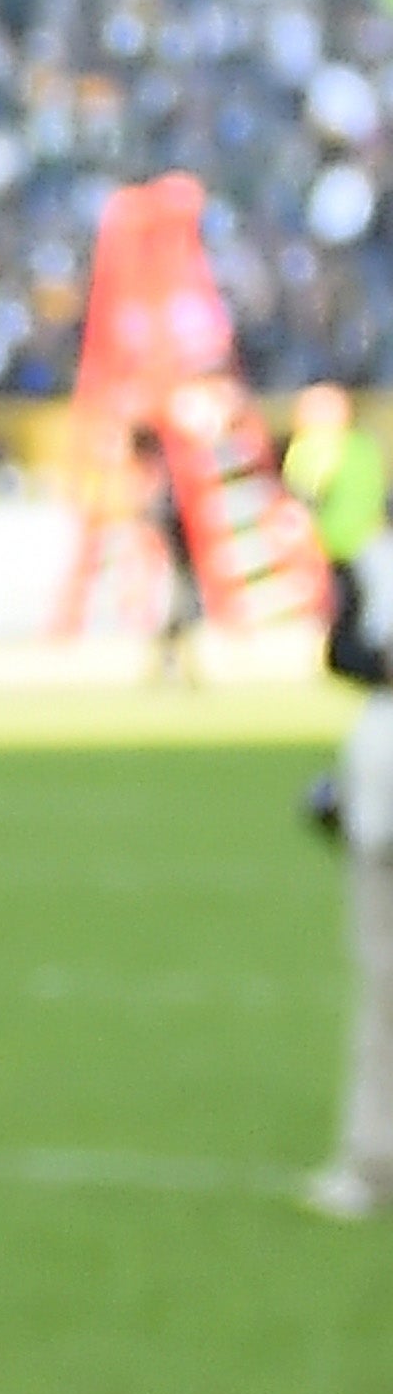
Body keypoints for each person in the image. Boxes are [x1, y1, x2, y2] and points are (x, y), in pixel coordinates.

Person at [298, 385, 393, 1219]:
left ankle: (369, 1160)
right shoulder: (372, 561)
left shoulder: (374, 561)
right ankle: (369, 1157)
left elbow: (348, 651)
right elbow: (346, 652)